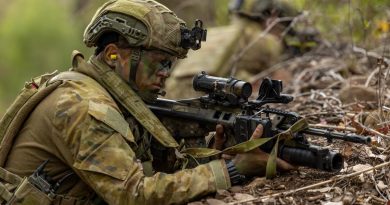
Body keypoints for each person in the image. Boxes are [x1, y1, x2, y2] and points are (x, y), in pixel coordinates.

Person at [0, 0, 294, 204]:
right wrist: (232, 171)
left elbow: (149, 167)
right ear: (115, 55)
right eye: (159, 63)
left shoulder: (115, 96)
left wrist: (213, 158)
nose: (166, 74)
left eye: (170, 65)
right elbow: (133, 194)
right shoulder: (83, 106)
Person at [165, 0, 318, 100]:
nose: (283, 33)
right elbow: (284, 84)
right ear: (273, 17)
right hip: (205, 100)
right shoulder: (264, 40)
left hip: (171, 94)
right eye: (285, 26)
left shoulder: (215, 32)